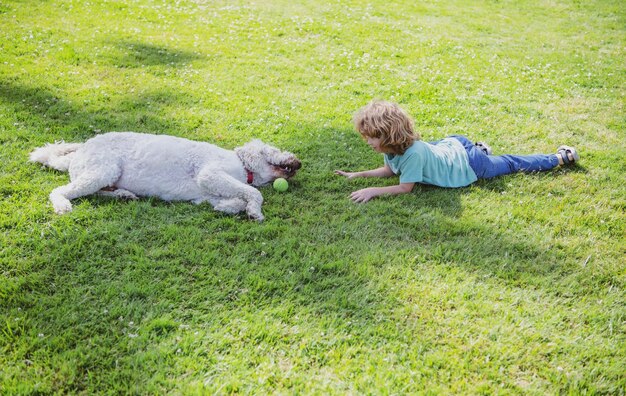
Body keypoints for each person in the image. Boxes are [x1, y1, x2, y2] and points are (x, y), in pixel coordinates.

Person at [335, 100, 579, 203]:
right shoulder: (392, 148)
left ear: (388, 135)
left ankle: (558, 158)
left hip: (469, 164)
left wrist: (372, 192)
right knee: (438, 146)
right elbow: (390, 170)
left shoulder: (413, 154)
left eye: (371, 138)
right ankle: (479, 149)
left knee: (510, 163)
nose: (368, 142)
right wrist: (358, 175)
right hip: (451, 145)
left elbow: (404, 187)